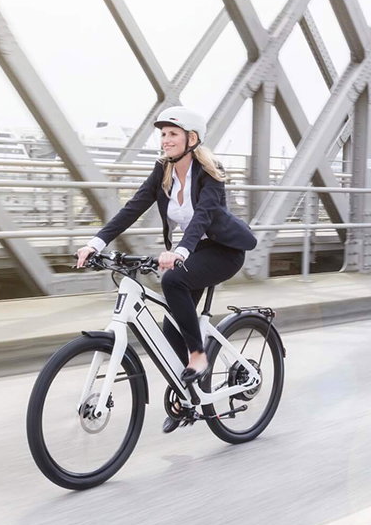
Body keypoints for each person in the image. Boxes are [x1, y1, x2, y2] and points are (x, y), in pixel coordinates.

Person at [75, 106, 257, 427]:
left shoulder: (211, 172)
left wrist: (181, 250)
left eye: (172, 133)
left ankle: (199, 357)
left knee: (173, 281)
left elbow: (203, 215)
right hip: (191, 252)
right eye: (162, 134)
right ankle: (189, 400)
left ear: (192, 138)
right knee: (172, 329)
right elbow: (132, 208)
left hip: (222, 251)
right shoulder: (163, 171)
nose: (165, 139)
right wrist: (96, 243)